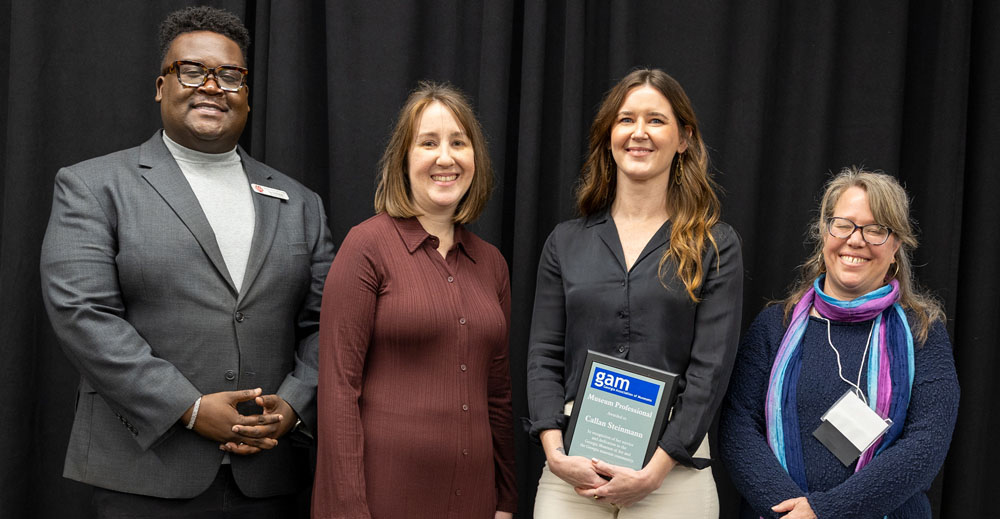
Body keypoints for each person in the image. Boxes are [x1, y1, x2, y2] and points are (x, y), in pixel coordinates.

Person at [39, 6, 335, 517]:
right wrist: (189, 408)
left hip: (268, 477)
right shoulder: (93, 186)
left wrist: (293, 406)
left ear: (246, 93)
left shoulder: (300, 202)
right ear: (162, 86)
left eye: (230, 76)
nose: (212, 87)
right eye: (192, 71)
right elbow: (82, 314)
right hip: (144, 475)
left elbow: (329, 322)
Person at [526, 68, 743, 517]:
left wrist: (654, 473)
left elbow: (710, 372)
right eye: (626, 119)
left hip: (671, 475)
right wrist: (555, 455)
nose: (638, 132)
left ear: (684, 138)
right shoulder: (565, 242)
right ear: (609, 136)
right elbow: (543, 356)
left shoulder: (714, 245)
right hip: (573, 471)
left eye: (656, 120)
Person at [311, 82, 516, 519]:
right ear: (404, 160)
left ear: (475, 159)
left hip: (475, 502)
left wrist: (506, 499)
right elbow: (338, 391)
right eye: (428, 143)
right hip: (383, 500)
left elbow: (497, 395)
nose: (445, 157)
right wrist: (349, 511)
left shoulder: (492, 264)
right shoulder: (366, 247)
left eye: (458, 143)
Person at [719, 167, 960, 518]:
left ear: (896, 246)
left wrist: (824, 511)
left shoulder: (922, 332)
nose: (856, 240)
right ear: (824, 232)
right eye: (843, 224)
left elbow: (925, 446)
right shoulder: (774, 326)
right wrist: (792, 513)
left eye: (876, 229)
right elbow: (738, 429)